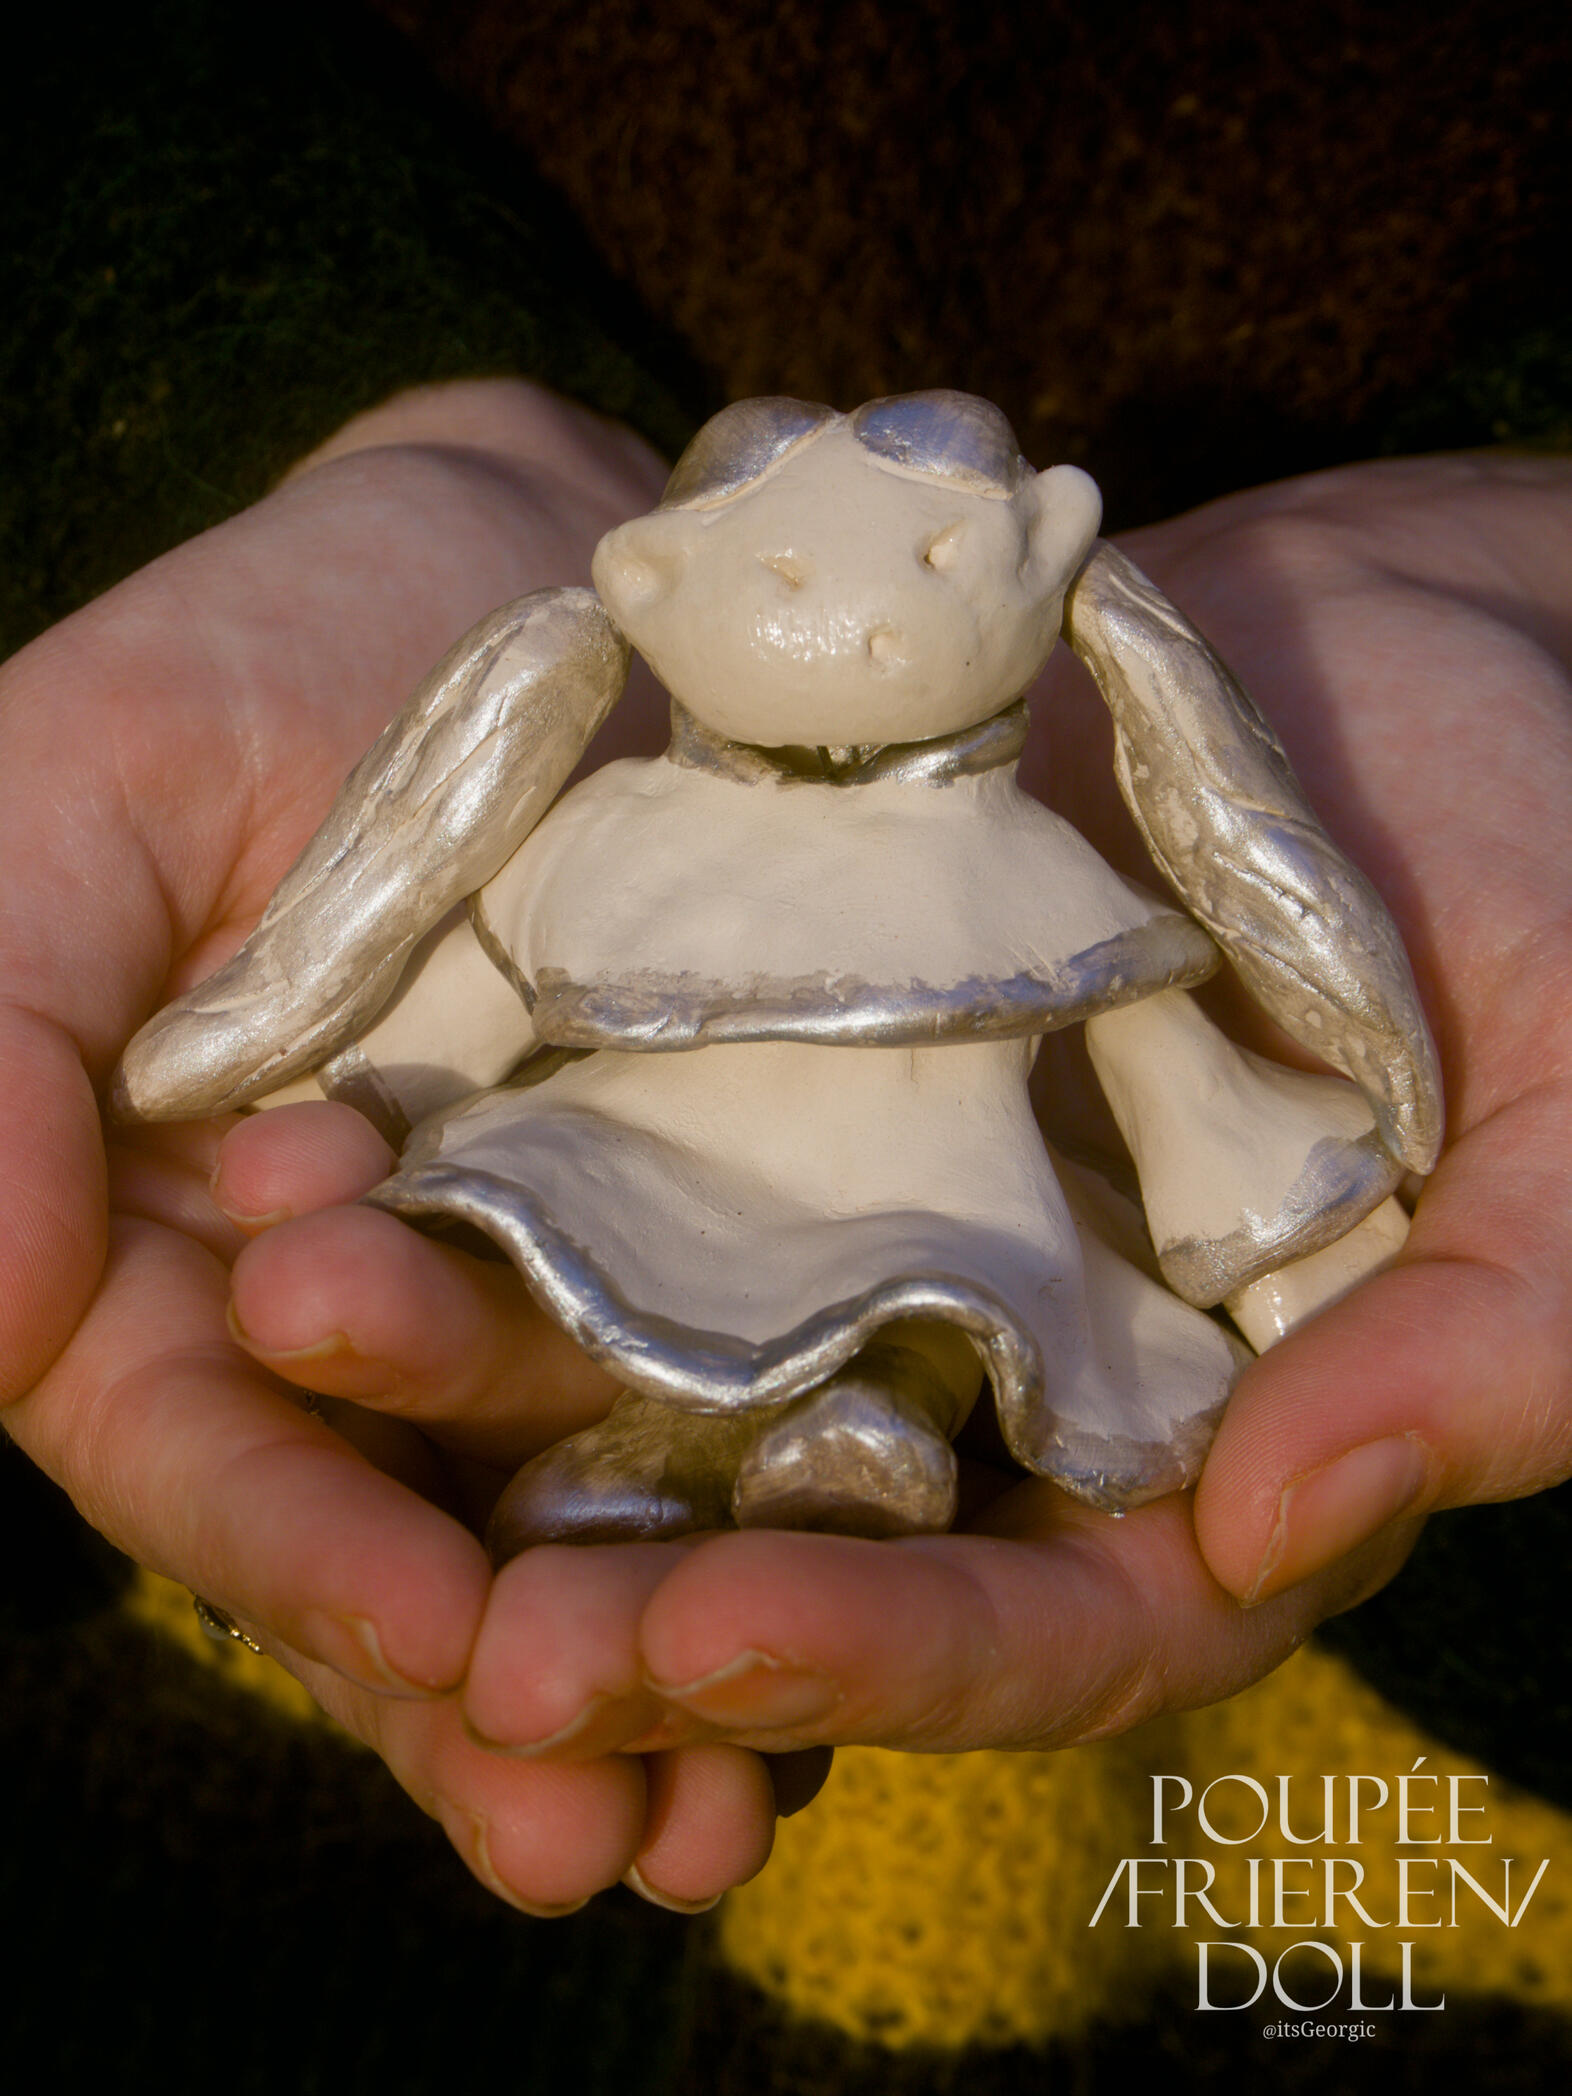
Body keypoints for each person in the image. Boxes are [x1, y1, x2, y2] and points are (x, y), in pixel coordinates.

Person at [3, 375, 1569, 1916]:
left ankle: (877, 1414)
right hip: (643, 1153)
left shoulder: (1039, 871)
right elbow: (482, 977)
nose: (871, 624)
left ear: (1053, 548)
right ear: (644, 587)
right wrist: (362, 1089)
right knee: (599, 1268)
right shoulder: (616, 832)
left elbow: (1164, 1061)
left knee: (961, 1294)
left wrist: (1285, 1229)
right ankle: (658, 1444)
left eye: (939, 567)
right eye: (792, 578)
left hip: (954, 1187)